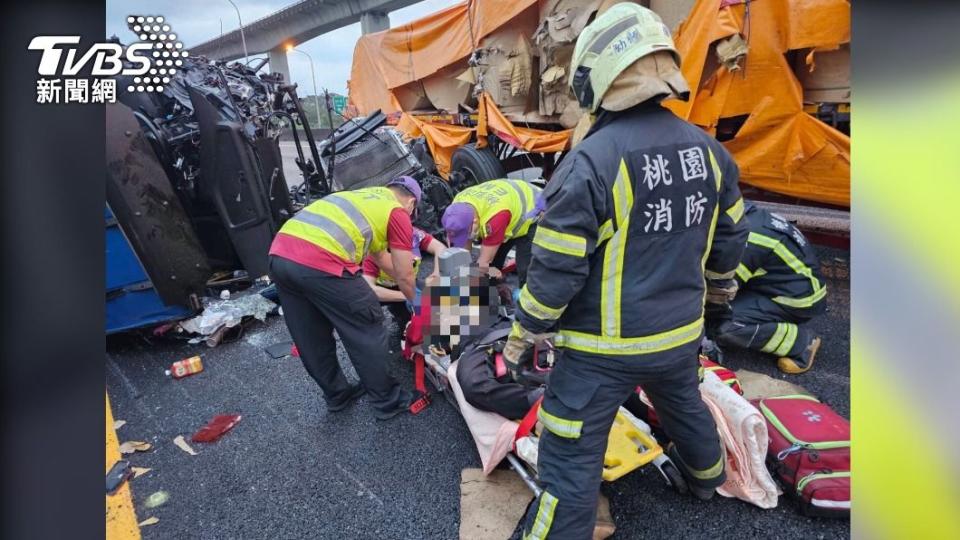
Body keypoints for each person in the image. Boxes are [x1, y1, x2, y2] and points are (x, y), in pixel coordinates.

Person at [503, 5, 749, 538]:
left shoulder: (590, 162)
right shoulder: (710, 153)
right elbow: (728, 241)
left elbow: (555, 272)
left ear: (597, 77)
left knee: (568, 454)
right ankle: (707, 480)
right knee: (685, 407)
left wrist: (523, 335)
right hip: (680, 335)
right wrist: (715, 300)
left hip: (600, 353)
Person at [267, 176, 423, 421]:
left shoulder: (365, 198)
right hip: (320, 259)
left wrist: (413, 285)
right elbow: (404, 274)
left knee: (310, 334)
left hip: (280, 254)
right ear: (411, 203)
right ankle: (388, 400)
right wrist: (420, 303)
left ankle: (337, 395)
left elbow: (383, 260)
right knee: (366, 323)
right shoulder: (398, 212)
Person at [708, 202, 826, 374]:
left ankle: (801, 342)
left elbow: (718, 292)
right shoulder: (738, 215)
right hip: (780, 284)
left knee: (721, 324)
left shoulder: (741, 239)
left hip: (796, 300)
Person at [441, 179, 542, 285]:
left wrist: (494, 272)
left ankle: (525, 296)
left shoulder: (494, 219)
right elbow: (463, 252)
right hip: (510, 207)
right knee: (492, 264)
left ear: (474, 222)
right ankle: (493, 289)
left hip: (535, 211)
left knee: (526, 267)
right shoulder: (456, 207)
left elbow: (483, 263)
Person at [362, 226, 446, 333]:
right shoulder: (374, 252)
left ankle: (401, 315)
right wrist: (408, 297)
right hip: (381, 289)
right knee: (365, 316)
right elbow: (370, 290)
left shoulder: (414, 235)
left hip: (406, 283)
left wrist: (436, 274)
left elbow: (440, 247)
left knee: (412, 326)